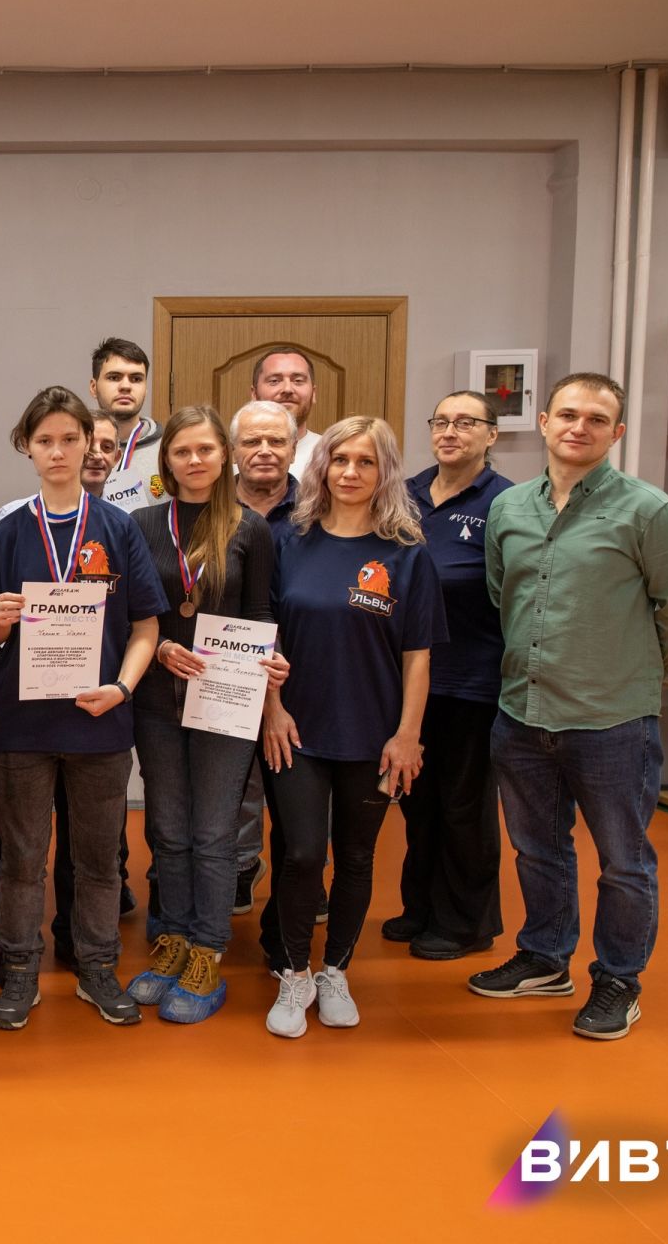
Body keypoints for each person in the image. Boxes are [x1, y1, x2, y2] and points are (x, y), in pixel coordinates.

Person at [469, 373, 668, 1040]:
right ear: (544, 422)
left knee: (623, 862)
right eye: (569, 414)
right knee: (537, 849)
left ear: (616, 433)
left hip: (613, 721)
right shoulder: (509, 508)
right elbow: (502, 596)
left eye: (597, 419)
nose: (580, 427)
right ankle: (546, 958)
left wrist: (628, 672)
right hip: (522, 713)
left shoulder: (650, 512)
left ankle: (619, 980)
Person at [0, 386, 166, 1031]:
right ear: (27, 447)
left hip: (99, 719)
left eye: (69, 439)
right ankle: (20, 969)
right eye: (44, 440)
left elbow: (146, 626)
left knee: (99, 859)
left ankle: (97, 966)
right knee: (21, 859)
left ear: (90, 445)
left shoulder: (117, 528)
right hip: (23, 724)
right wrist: (0, 621)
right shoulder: (8, 529)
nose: (57, 451)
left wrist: (123, 689)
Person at [259, 417, 445, 1039]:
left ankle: (335, 969)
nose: (350, 472)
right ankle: (294, 974)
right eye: (340, 460)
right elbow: (264, 635)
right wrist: (272, 708)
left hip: (374, 734)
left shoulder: (407, 554)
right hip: (296, 729)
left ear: (384, 472)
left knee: (357, 856)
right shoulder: (288, 540)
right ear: (322, 467)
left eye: (366, 462)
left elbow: (418, 655)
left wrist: (408, 735)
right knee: (302, 853)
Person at [126, 406, 282, 1023]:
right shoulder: (141, 525)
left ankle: (208, 954)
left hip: (225, 699)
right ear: (166, 461)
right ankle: (173, 940)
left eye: (206, 450)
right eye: (182, 451)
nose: (194, 461)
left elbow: (261, 613)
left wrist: (267, 669)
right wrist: (163, 644)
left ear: (225, 457)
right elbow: (132, 612)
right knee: (168, 829)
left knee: (214, 833)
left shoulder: (250, 528)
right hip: (157, 699)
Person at [388, 392, 514, 960]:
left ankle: (466, 923)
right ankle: (421, 907)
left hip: (471, 677)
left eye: (466, 423)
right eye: (441, 421)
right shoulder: (405, 495)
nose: (450, 431)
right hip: (408, 678)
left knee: (464, 804)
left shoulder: (505, 501)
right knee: (417, 800)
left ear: (492, 435)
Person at [228, 401, 300, 915]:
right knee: (238, 777)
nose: (265, 450)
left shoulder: (319, 506)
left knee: (298, 775)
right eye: (252, 441)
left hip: (303, 663)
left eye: (276, 441)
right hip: (229, 662)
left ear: (294, 448)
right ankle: (241, 864)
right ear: (233, 451)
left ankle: (303, 875)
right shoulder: (210, 507)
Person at [88, 336, 167, 513]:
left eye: (136, 379)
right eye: (114, 377)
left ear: (145, 389)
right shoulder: (74, 448)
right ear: (94, 387)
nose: (125, 386)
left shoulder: (169, 449)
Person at [251, 347, 320, 475]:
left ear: (313, 393)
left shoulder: (332, 453)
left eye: (298, 381)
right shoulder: (230, 457)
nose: (287, 389)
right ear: (254, 394)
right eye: (274, 381)